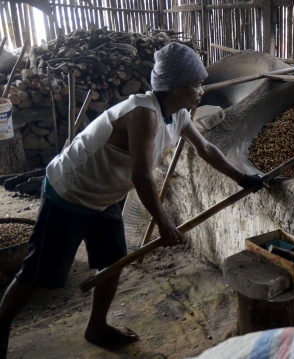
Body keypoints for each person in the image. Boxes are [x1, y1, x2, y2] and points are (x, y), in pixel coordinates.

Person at [0, 42, 266, 357]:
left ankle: (96, 326)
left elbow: (205, 149)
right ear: (177, 88)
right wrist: (164, 223)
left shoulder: (178, 113)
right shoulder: (143, 113)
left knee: (113, 260)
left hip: (103, 194)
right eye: (196, 84)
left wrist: (243, 178)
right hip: (70, 191)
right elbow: (141, 175)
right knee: (39, 273)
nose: (201, 90)